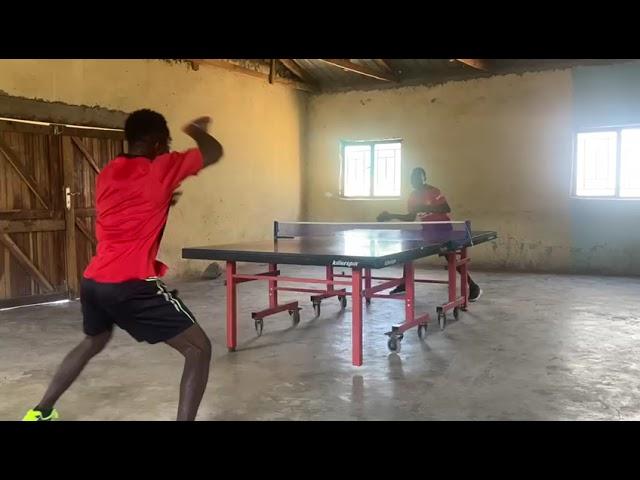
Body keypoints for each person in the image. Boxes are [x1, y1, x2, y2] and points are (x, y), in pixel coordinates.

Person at [22, 109, 223, 421]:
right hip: (131, 284)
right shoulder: (161, 167)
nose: (169, 149)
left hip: (94, 281)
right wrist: (198, 130)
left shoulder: (109, 171)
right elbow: (214, 152)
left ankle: (41, 411)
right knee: (199, 350)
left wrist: (163, 200)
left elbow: (128, 206)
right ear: (157, 144)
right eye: (167, 144)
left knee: (94, 340)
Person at [377, 167, 482, 301]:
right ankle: (404, 284)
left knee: (450, 258)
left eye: (418, 177)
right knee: (408, 252)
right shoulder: (413, 196)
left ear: (424, 178)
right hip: (427, 230)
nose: (415, 180)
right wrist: (390, 215)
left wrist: (425, 207)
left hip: (442, 229)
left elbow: (446, 208)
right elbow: (410, 217)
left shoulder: (434, 191)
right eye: (412, 178)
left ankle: (473, 286)